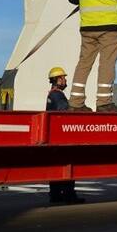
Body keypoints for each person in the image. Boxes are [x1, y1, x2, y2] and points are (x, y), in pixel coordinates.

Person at [46, 67, 85, 204]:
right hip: (62, 138)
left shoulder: (52, 94)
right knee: (67, 166)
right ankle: (69, 195)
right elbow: (66, 111)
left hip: (54, 138)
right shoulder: (57, 95)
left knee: (56, 167)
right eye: (63, 78)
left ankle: (55, 195)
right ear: (57, 80)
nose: (65, 80)